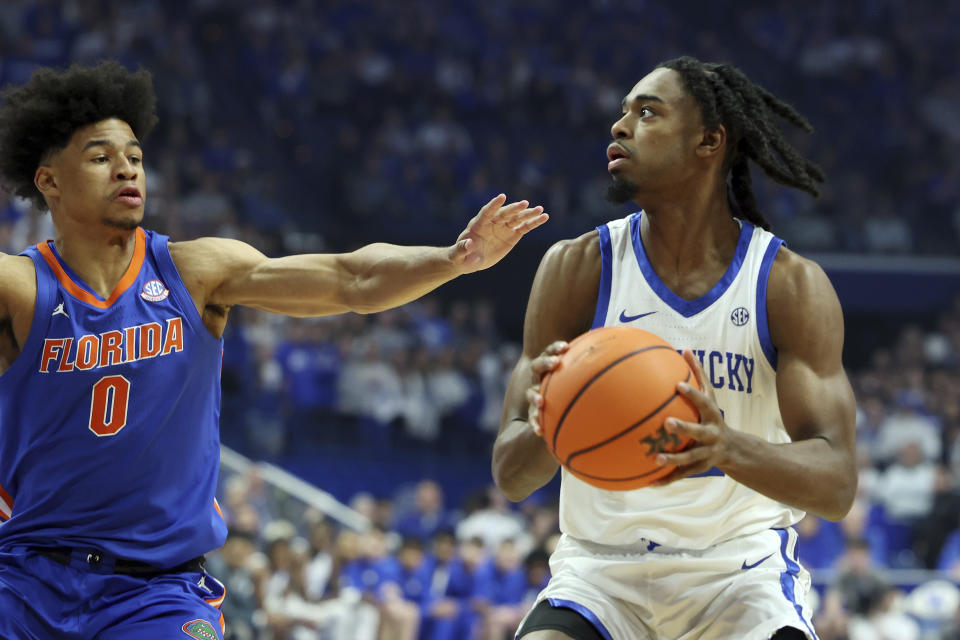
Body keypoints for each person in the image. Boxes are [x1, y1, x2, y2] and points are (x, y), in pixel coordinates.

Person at [0, 61, 547, 640]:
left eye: (134, 155)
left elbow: (350, 279)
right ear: (49, 181)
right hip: (26, 579)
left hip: (157, 591)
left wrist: (451, 259)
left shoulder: (195, 270)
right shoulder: (21, 289)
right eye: (99, 157)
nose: (127, 169)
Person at [493, 56, 857, 640]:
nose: (619, 126)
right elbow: (511, 477)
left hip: (740, 574)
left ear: (709, 140)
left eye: (647, 112)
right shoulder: (576, 268)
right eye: (622, 112)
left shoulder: (787, 284)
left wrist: (725, 447)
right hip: (599, 571)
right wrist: (549, 420)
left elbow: (837, 483)